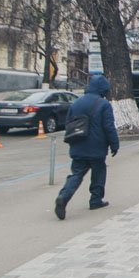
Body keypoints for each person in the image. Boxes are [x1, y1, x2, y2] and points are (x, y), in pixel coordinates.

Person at [54, 74, 119, 220]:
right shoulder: (104, 104)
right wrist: (114, 144)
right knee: (99, 171)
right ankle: (95, 200)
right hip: (96, 146)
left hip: (78, 143)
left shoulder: (76, 103)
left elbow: (68, 124)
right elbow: (109, 127)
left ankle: (63, 196)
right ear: (103, 89)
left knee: (76, 173)